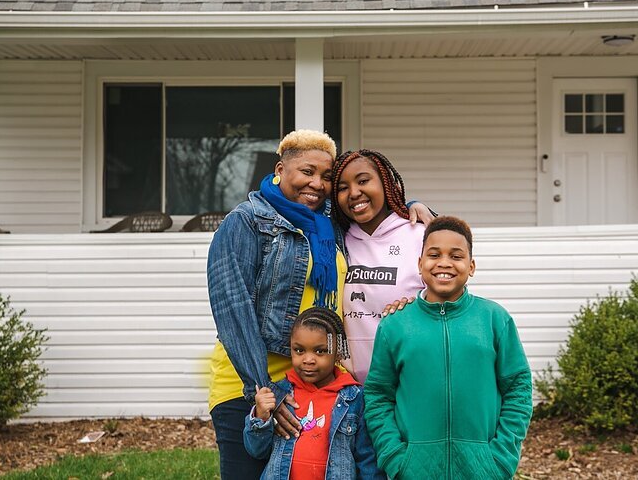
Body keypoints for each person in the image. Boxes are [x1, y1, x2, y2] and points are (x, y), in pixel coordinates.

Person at [207, 130, 431, 479]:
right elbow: (232, 309)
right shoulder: (246, 221)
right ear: (281, 169)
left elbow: (366, 205)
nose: (317, 183)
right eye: (307, 172)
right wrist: (261, 391)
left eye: (326, 177)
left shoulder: (327, 223)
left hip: (319, 384)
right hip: (253, 387)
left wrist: (412, 203)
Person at [363, 216, 533, 480]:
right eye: (434, 254)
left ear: (471, 266)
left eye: (456, 256)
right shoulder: (395, 325)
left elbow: (518, 389)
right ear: (420, 264)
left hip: (483, 470)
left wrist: (500, 460)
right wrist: (395, 458)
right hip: (413, 470)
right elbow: (377, 396)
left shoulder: (494, 319)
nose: (444, 263)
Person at [243, 307, 385, 480]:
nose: (308, 360)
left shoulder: (355, 398)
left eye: (320, 351)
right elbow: (257, 451)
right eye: (299, 350)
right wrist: (261, 417)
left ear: (338, 351)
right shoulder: (280, 395)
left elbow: (367, 459)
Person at [330, 149, 425, 383]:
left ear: (386, 183)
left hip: (410, 381)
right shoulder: (336, 239)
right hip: (350, 390)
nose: (353, 193)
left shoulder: (420, 234)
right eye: (342, 188)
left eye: (363, 181)